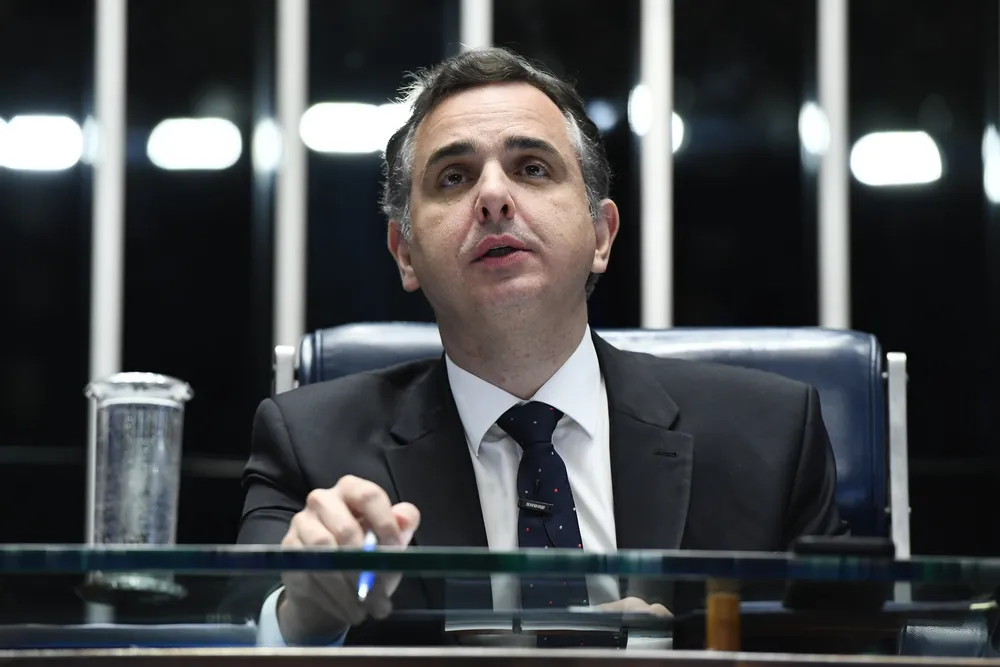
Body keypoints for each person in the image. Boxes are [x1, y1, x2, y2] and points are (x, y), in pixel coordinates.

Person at [231, 47, 847, 647]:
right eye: (454, 177)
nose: (492, 197)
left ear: (601, 236)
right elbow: (232, 631)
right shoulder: (310, 445)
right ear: (406, 254)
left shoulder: (770, 436)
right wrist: (306, 613)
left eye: (531, 168)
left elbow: (848, 650)